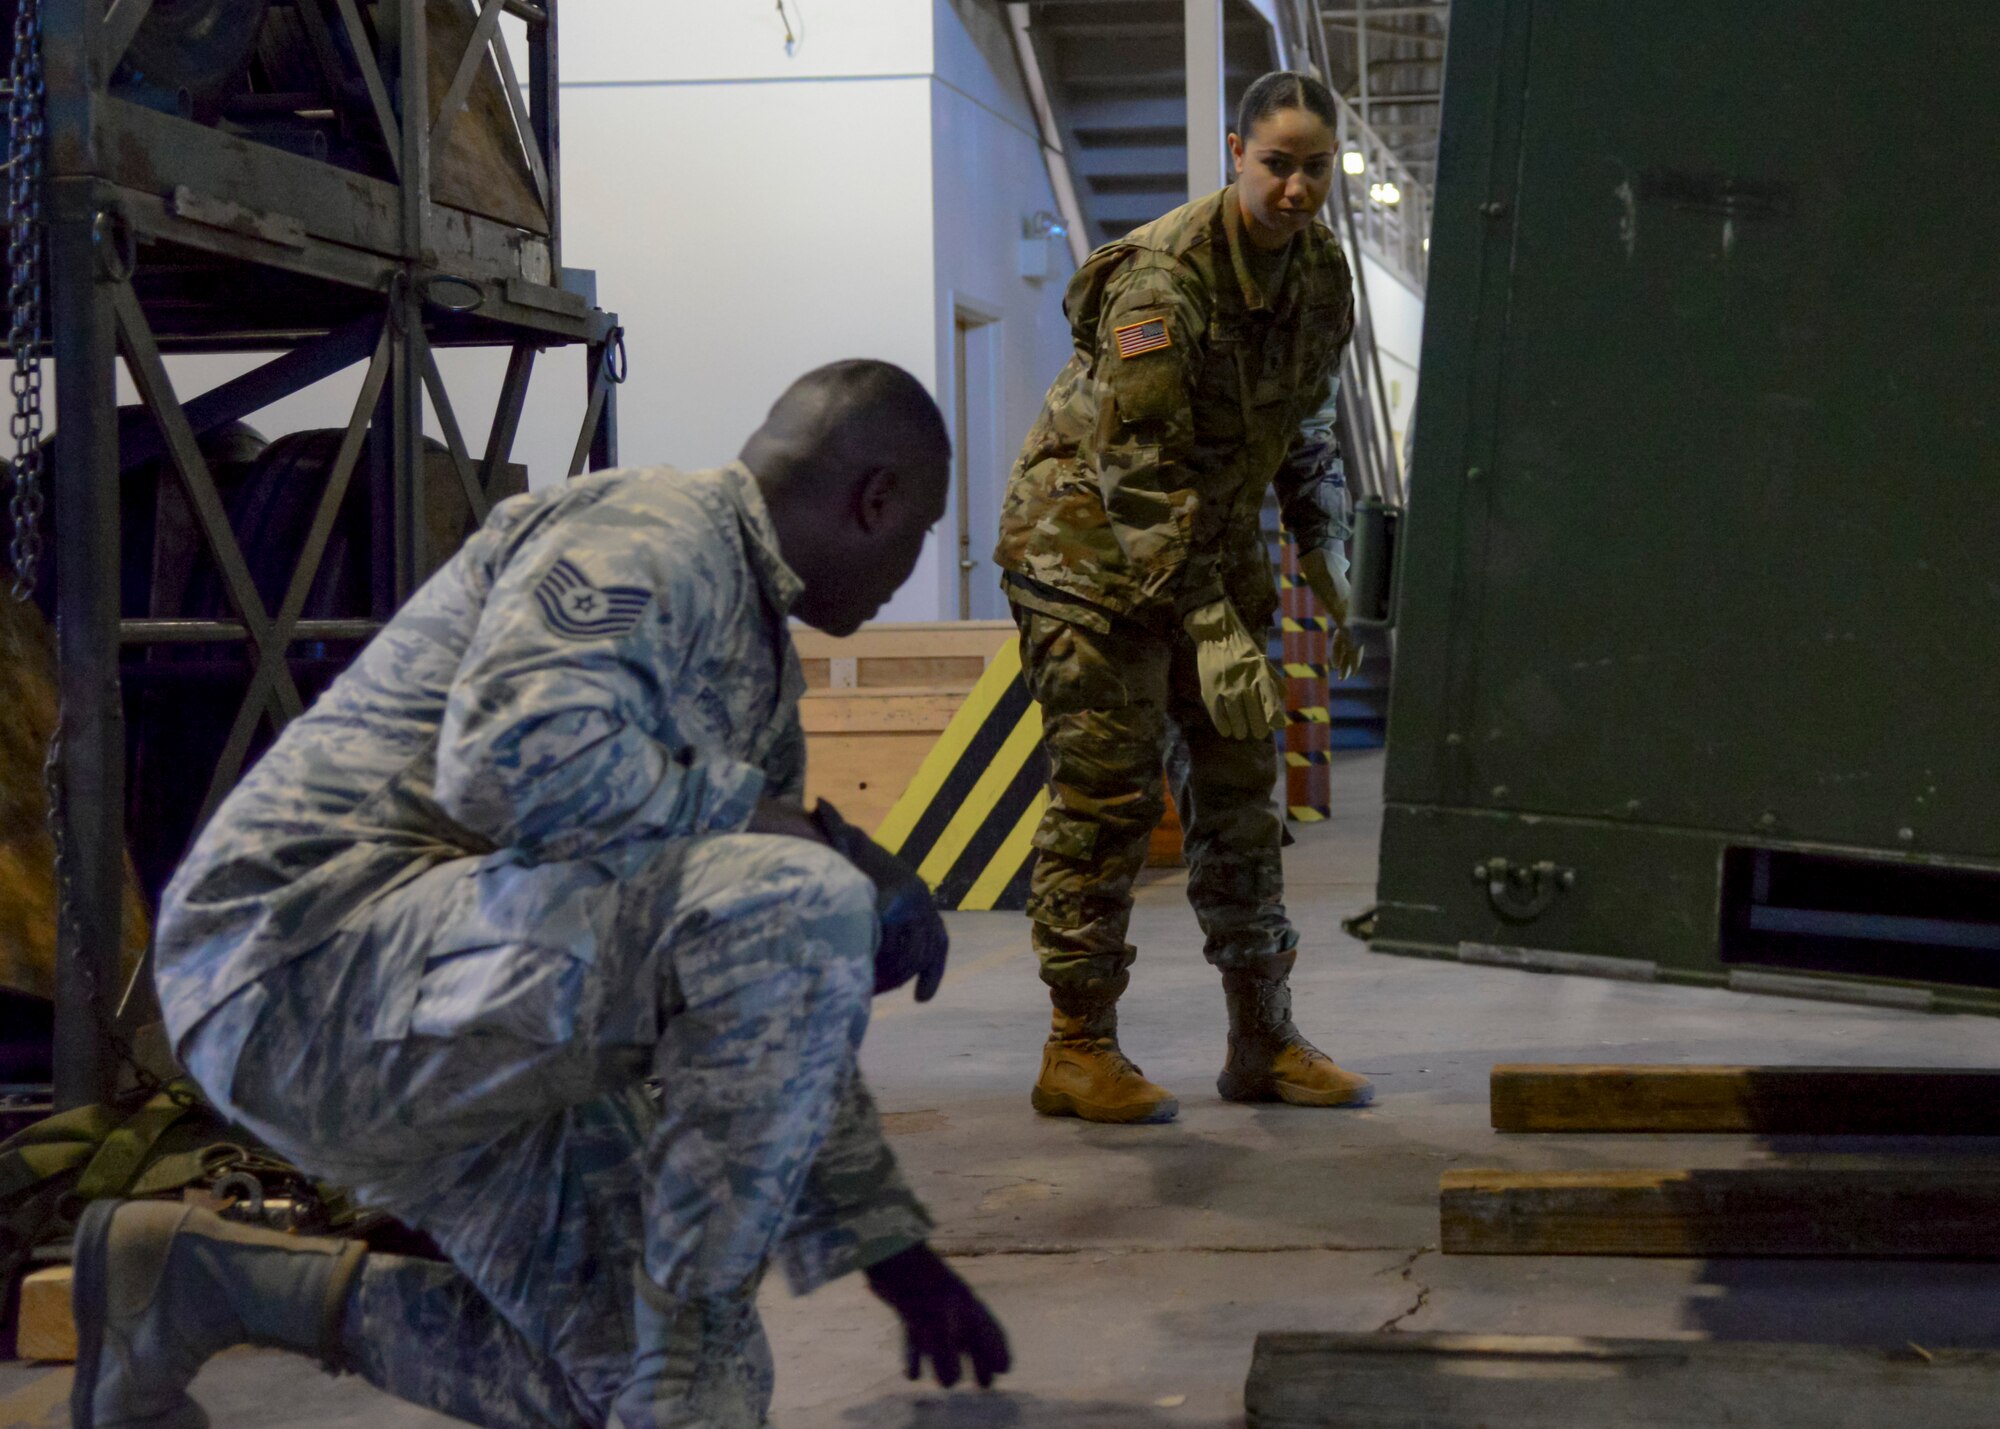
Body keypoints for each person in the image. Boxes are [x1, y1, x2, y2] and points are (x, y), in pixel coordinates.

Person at [68, 360, 1011, 1429]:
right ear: (875, 498)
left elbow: (765, 1005)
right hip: (296, 962)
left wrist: (894, 1250)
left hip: (465, 1007)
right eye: (923, 530)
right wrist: (815, 845)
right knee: (795, 900)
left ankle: (201, 1285)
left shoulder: (753, 677)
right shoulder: (652, 530)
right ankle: (678, 1346)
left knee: (695, 1396)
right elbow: (512, 761)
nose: (911, 565)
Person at [994, 71, 1374, 1124]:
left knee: (1244, 796)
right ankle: (1075, 1048)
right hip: (1087, 556)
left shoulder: (1319, 277)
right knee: (1109, 797)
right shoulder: (1163, 278)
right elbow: (1135, 471)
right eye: (1275, 165)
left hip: (1204, 539)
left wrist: (1326, 561)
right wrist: (1207, 623)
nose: (1295, 189)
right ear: (1233, 153)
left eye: (1314, 169)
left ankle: (1262, 1039)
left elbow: (1303, 430)